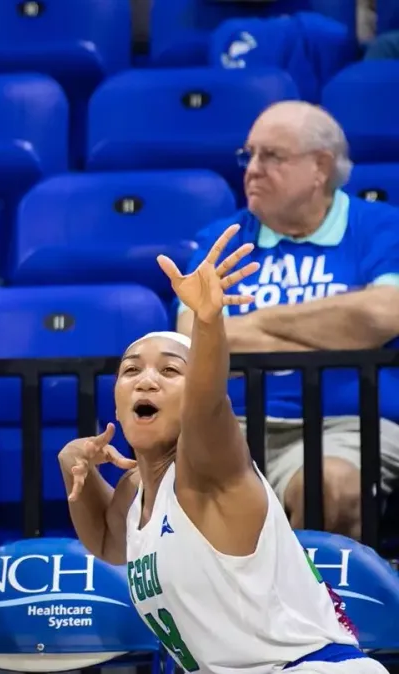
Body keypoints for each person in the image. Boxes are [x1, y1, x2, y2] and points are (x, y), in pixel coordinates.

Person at [60, 224, 383, 673]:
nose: (147, 379)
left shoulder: (206, 471)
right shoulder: (136, 491)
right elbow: (107, 543)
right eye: (130, 370)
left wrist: (207, 321)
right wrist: (69, 462)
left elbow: (208, 404)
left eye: (170, 371)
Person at [177, 101, 399, 540]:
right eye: (248, 155)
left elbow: (384, 314)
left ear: (320, 167)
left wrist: (255, 321)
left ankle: (317, 609)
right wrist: (341, 332)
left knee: (328, 488)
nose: (252, 169)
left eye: (271, 156)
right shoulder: (222, 239)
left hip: (349, 425)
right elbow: (193, 335)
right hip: (231, 426)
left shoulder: (379, 227)